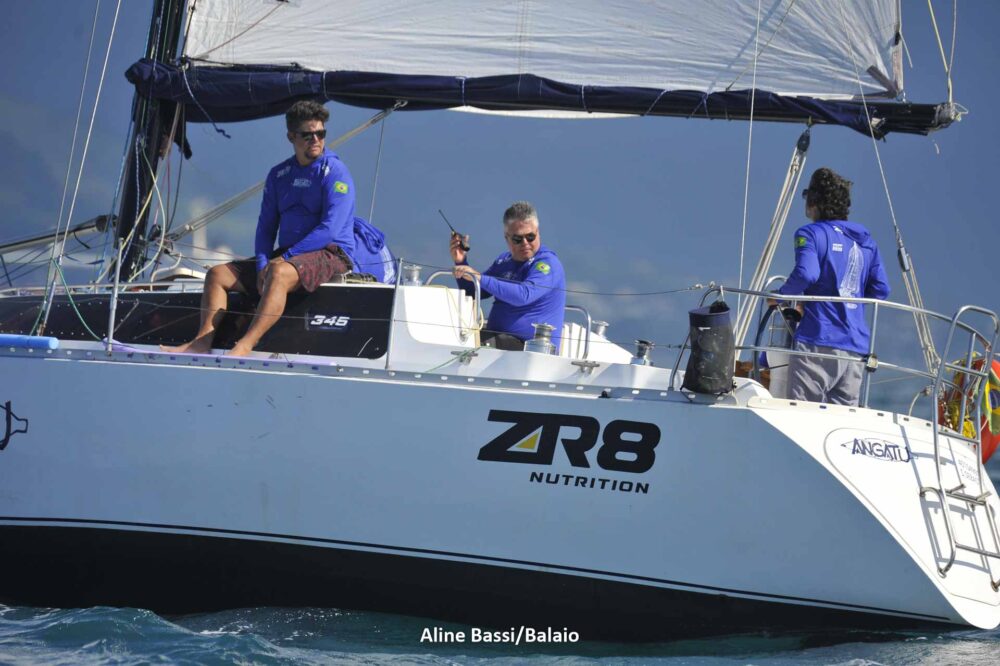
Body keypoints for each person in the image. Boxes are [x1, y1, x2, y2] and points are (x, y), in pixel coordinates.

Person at [164, 100, 362, 356]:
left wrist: (285, 258)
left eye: (321, 133)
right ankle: (201, 342)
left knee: (277, 272)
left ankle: (244, 346)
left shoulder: (335, 172)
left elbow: (330, 230)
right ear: (291, 136)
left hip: (331, 253)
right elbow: (266, 227)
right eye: (307, 134)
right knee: (217, 275)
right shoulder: (279, 175)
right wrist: (261, 265)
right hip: (290, 255)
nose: (316, 140)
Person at [770, 167, 890, 406]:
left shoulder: (810, 233)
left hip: (818, 341)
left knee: (802, 415)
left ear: (813, 201)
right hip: (855, 348)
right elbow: (881, 290)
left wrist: (780, 297)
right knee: (841, 421)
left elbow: (807, 273)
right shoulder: (866, 242)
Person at [451, 201, 566, 351]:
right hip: (498, 339)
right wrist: (461, 261)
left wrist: (479, 277)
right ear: (507, 238)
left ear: (538, 232)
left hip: (529, 347)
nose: (525, 243)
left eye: (530, 237)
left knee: (467, 344)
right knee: (455, 336)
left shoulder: (547, 263)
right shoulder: (503, 261)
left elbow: (524, 295)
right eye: (517, 239)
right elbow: (474, 292)